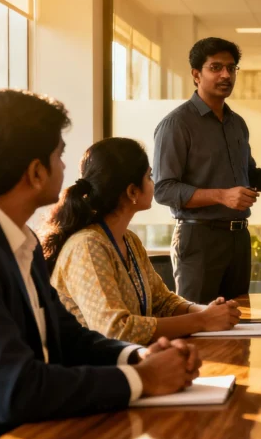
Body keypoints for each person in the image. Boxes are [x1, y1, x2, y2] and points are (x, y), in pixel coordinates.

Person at [0, 90, 201, 439]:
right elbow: (14, 389)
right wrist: (141, 379)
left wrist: (136, 355)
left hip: (36, 431)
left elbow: (66, 336)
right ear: (36, 172)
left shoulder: (17, 237)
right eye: (59, 155)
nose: (65, 167)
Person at [153, 37, 261, 302]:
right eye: (215, 67)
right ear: (196, 74)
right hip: (199, 237)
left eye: (231, 68)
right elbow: (164, 189)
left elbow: (253, 179)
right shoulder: (177, 124)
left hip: (238, 238)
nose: (226, 74)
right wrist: (221, 196)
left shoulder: (236, 124)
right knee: (199, 322)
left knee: (238, 321)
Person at [41, 137, 242, 346]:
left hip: (132, 361)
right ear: (132, 191)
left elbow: (162, 301)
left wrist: (208, 311)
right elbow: (116, 330)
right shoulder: (87, 246)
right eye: (149, 176)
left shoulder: (129, 240)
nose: (153, 183)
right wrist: (202, 321)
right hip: (94, 371)